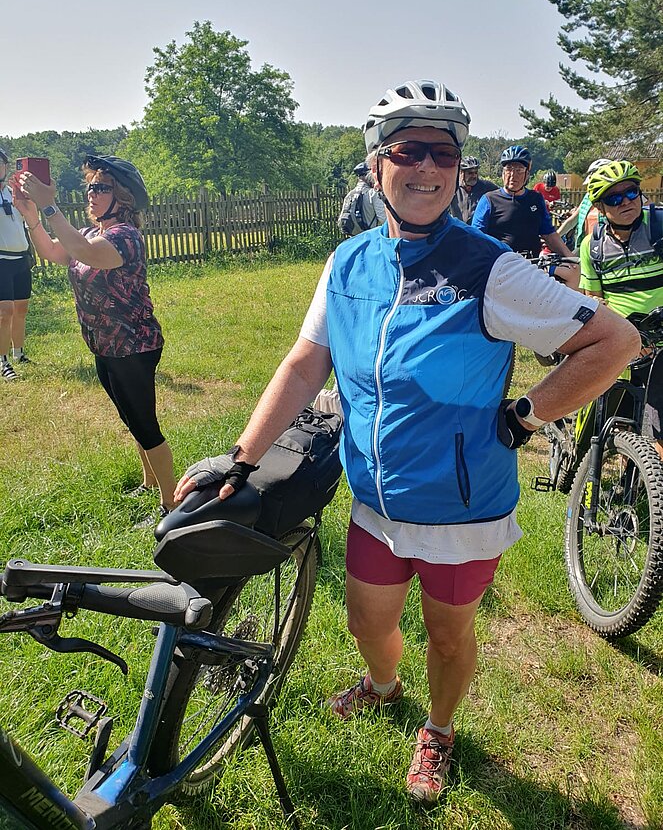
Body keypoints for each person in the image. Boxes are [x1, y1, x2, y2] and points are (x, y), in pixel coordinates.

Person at [174, 80, 638, 804]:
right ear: (375, 165)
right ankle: (384, 685)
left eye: (442, 154)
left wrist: (525, 415)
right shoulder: (348, 262)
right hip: (374, 501)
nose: (426, 167)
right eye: (407, 150)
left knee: (447, 636)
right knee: (366, 623)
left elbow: (615, 340)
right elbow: (305, 365)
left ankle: (439, 729)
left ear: (458, 169)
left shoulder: (488, 267)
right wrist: (242, 457)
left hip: (461, 508)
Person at [11, 155, 177, 526]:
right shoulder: (88, 233)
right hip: (105, 346)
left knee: (145, 425)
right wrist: (31, 216)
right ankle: (150, 483)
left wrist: (50, 206)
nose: (92, 193)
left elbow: (88, 256)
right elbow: (54, 252)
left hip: (133, 346)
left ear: (123, 196)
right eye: (90, 187)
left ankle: (171, 505)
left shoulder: (126, 237)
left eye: (101, 187)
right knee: (131, 419)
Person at [580, 159, 663, 449]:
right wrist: (625, 336)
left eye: (631, 192)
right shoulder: (593, 247)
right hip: (623, 338)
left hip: (660, 334)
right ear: (600, 208)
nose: (626, 202)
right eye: (614, 198)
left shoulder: (659, 229)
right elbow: (593, 300)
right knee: (626, 414)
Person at [472, 146, 577, 279]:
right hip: (500, 268)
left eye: (519, 170)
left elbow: (549, 234)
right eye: (509, 169)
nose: (513, 175)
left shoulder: (536, 199)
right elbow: (477, 237)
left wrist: (570, 257)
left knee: (572, 275)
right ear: (503, 173)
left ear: (527, 174)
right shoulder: (489, 200)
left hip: (531, 266)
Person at [0, 148, 33, 381]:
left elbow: (26, 221)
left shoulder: (13, 194)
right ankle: (3, 361)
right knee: (5, 312)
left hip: (21, 258)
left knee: (21, 308)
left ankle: (18, 353)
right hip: (1, 260)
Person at [558, 158, 612, 249]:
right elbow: (572, 221)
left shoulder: (615, 200)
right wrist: (555, 237)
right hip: (587, 247)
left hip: (608, 248)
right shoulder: (588, 197)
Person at [337, 162, 386, 236]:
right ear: (369, 176)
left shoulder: (350, 194)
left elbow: (341, 220)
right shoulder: (373, 194)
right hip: (370, 237)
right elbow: (383, 219)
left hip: (354, 237)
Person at [449, 156, 497, 223]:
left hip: (478, 228)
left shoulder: (487, 187)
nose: (474, 176)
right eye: (470, 173)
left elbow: (502, 197)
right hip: (457, 228)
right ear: (461, 173)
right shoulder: (452, 188)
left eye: (475, 172)